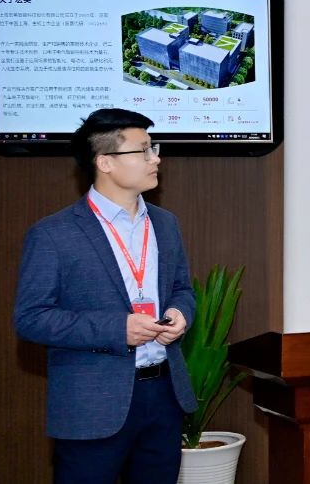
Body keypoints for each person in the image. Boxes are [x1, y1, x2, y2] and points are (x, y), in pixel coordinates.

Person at [14, 108, 197, 484]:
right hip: (92, 404)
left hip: (164, 396)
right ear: (105, 162)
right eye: (143, 150)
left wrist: (181, 313)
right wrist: (117, 328)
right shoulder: (53, 234)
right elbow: (31, 318)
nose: (155, 159)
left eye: (154, 148)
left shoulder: (166, 224)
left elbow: (182, 289)